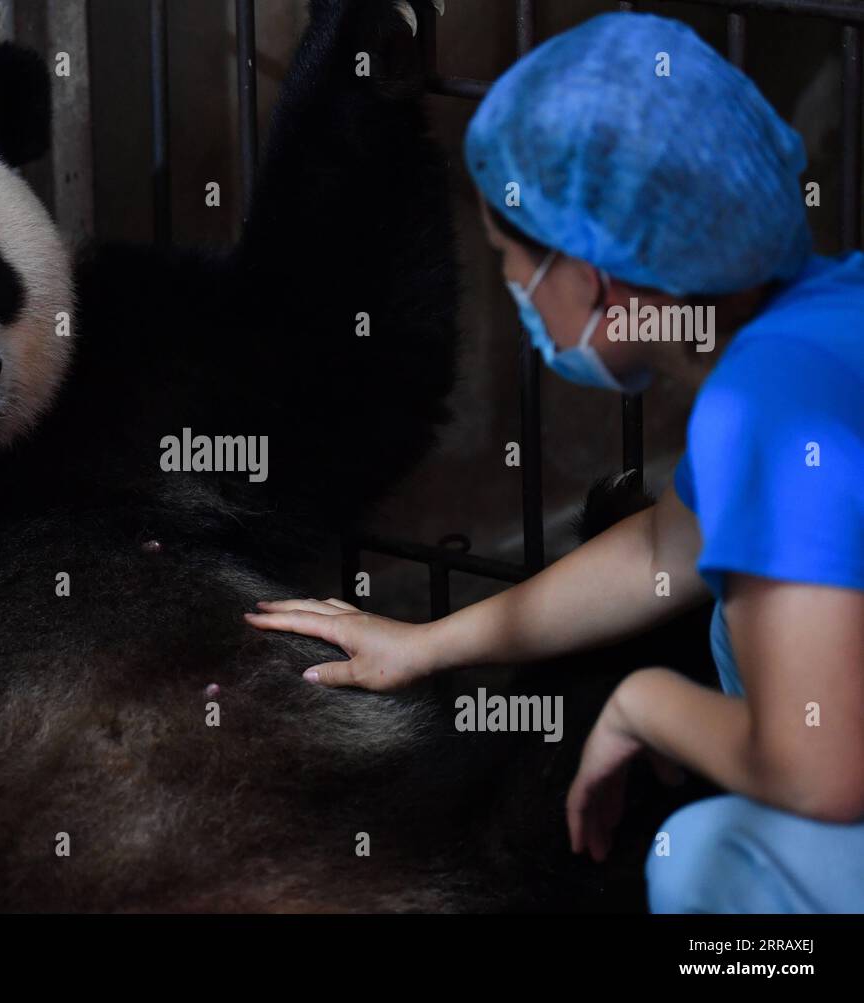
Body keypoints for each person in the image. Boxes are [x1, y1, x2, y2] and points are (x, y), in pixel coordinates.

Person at [246, 11, 864, 914]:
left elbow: (820, 766)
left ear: (598, 283)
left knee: (703, 858)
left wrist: (646, 703)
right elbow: (663, 553)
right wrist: (421, 646)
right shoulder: (830, 313)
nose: (514, 294)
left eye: (512, 263)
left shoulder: (761, 408)